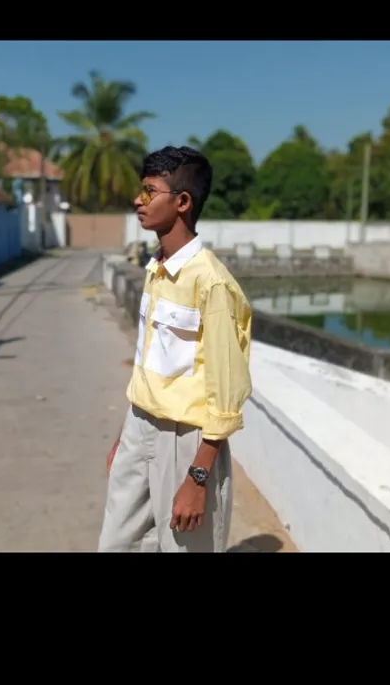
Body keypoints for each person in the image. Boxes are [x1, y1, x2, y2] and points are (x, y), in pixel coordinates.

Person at [98, 146, 253, 552]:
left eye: (149, 192)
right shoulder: (157, 269)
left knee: (184, 547)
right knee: (118, 542)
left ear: (182, 202)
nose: (138, 201)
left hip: (186, 440)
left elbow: (226, 394)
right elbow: (147, 363)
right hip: (140, 425)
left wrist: (198, 477)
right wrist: (126, 435)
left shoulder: (212, 284)